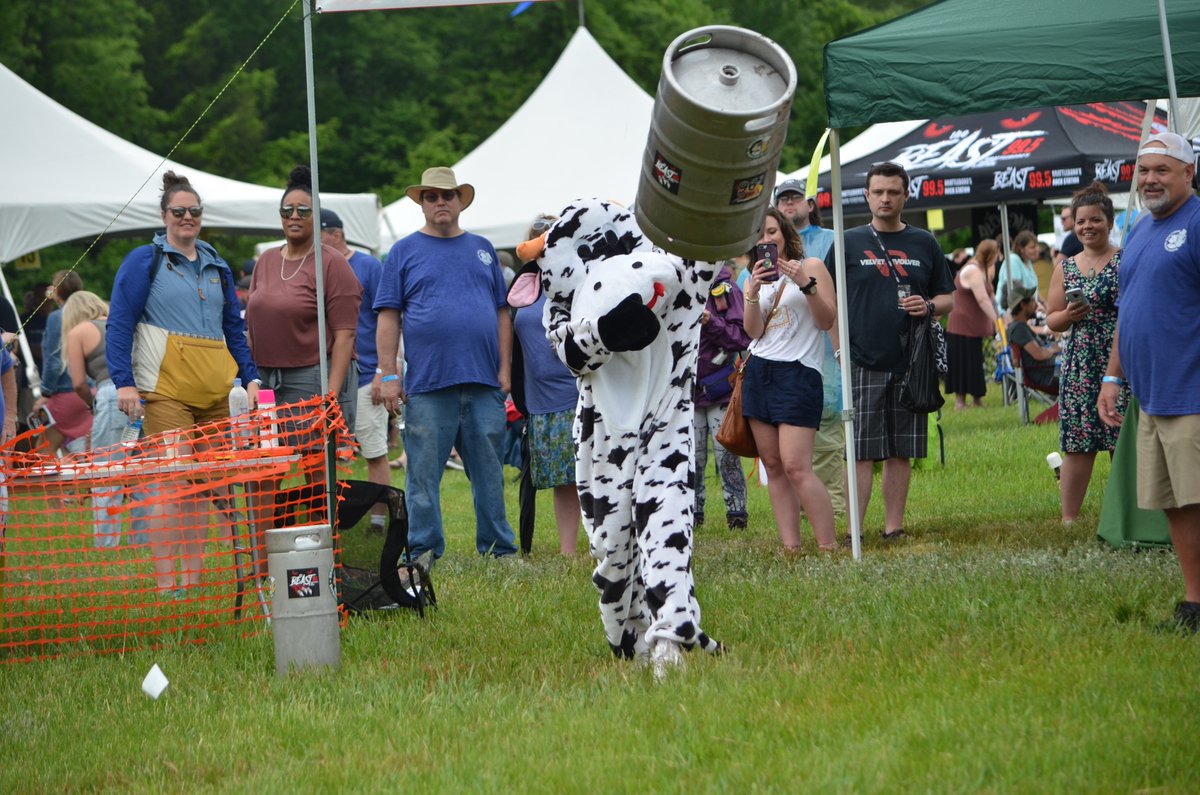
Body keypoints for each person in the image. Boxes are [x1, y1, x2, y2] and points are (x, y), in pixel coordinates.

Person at [108, 170, 261, 595]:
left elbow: (234, 327)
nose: (187, 217)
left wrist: (250, 377)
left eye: (194, 211)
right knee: (169, 483)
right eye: (179, 211)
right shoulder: (144, 260)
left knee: (204, 486)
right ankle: (165, 583)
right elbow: (120, 323)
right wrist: (124, 382)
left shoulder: (217, 264)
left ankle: (190, 581)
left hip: (215, 393)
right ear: (164, 215)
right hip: (165, 392)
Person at [375, 166, 517, 562]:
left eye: (448, 196)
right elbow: (388, 318)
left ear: (460, 201)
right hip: (427, 385)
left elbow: (502, 313)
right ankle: (423, 549)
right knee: (422, 476)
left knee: (489, 474)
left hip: (484, 382)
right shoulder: (403, 252)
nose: (441, 202)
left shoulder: (483, 249)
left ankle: (498, 549)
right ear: (421, 203)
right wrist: (388, 375)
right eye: (432, 197)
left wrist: (505, 369)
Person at [1098, 131, 1200, 633]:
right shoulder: (1138, 229)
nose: (1151, 179)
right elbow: (1128, 309)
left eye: (1163, 169)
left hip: (1192, 392)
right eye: (1144, 170)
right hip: (1151, 394)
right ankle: (1193, 604)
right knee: (1174, 501)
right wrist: (1112, 374)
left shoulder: (1198, 222)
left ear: (1189, 173)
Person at [825, 161, 955, 540]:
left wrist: (928, 306)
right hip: (861, 358)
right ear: (866, 196)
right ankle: (854, 532)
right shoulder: (847, 241)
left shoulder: (924, 242)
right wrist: (839, 354)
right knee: (861, 450)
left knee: (902, 449)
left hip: (912, 359)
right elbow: (829, 304)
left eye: (893, 192)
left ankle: (893, 527)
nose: (885, 198)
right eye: (878, 192)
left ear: (906, 195)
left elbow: (949, 298)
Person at [743, 207, 838, 551]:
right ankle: (791, 548)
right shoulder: (751, 275)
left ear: (784, 232)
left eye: (771, 232)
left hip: (799, 371)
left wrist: (804, 284)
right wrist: (752, 290)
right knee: (773, 466)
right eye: (759, 235)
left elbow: (827, 320)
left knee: (797, 466)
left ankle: (829, 546)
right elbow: (752, 331)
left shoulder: (810, 266)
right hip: (759, 371)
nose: (766, 240)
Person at [1045, 182, 1127, 523]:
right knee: (1078, 440)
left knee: (1121, 438)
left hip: (1120, 360)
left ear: (1109, 222)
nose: (1087, 226)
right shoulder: (1065, 267)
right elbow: (1052, 319)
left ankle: (1127, 514)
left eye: (1095, 220)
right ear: (1073, 225)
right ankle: (1069, 518)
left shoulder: (1126, 260)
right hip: (1079, 362)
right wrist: (1068, 315)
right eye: (1081, 221)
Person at [775, 178, 846, 518]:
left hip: (822, 358)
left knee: (828, 442)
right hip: (779, 367)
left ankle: (836, 518)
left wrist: (840, 349)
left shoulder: (831, 242)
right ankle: (810, 518)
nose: (789, 205)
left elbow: (837, 305)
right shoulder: (765, 251)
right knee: (791, 458)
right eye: (783, 200)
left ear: (810, 204)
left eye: (795, 198)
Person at [511, 214, 582, 555]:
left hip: (581, 393)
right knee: (562, 480)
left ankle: (608, 545)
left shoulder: (581, 279)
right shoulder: (524, 284)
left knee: (592, 475)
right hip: (540, 401)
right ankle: (568, 552)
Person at [320, 207, 388, 534]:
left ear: (336, 234)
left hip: (365, 374)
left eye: (319, 236)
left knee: (373, 452)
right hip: (327, 376)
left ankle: (377, 521)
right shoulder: (313, 267)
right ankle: (330, 521)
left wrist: (383, 371)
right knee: (327, 456)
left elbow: (387, 320)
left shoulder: (368, 266)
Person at [62, 291, 131, 547]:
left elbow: (79, 382)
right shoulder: (120, 323)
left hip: (111, 395)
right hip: (144, 393)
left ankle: (107, 544)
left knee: (106, 473)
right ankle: (145, 540)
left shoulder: (78, 331)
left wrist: (91, 403)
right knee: (145, 474)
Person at [692, 261, 751, 531]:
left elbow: (742, 338)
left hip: (720, 388)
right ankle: (692, 515)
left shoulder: (727, 289)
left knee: (727, 454)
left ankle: (736, 515)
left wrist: (711, 321)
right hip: (686, 391)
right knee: (691, 458)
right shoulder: (679, 283)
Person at [33, 271, 91, 455]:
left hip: (65, 393)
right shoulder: (90, 313)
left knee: (42, 456)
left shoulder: (57, 317)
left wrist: (45, 393)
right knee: (86, 455)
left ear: (57, 291)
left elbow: (54, 361)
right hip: (89, 392)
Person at [945, 239, 1000, 409]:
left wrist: (998, 316)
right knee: (962, 363)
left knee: (975, 363)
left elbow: (990, 298)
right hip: (962, 326)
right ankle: (960, 402)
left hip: (973, 328)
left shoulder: (983, 270)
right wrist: (997, 321)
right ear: (990, 255)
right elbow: (982, 299)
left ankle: (977, 400)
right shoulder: (972, 270)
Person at [1007, 288, 1060, 391]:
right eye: (1032, 301)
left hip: (1049, 372)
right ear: (1023, 305)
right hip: (1048, 376)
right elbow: (1039, 355)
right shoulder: (1018, 329)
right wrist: (1054, 349)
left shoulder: (1019, 327)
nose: (1036, 305)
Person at [996, 229, 1042, 313]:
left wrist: (1044, 304)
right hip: (1011, 314)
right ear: (1021, 249)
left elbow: (1033, 290)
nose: (1037, 249)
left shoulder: (1028, 262)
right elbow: (1016, 292)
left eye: (1037, 246)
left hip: (1027, 311)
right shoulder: (1013, 260)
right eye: (1032, 247)